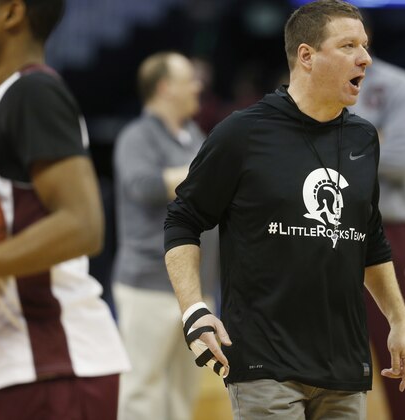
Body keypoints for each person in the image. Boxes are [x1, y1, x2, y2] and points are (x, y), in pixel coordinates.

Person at [163, 1, 405, 419]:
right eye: (349, 45)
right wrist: (194, 310)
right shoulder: (242, 133)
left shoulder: (363, 139)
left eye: (365, 46)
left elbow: (369, 239)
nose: (365, 58)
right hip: (265, 366)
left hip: (344, 369)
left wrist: (398, 320)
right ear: (307, 56)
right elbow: (183, 220)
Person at [0, 1, 130, 419]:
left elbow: (82, 225)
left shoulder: (33, 92)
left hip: (54, 365)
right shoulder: (3, 101)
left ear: (12, 12)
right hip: (19, 363)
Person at [112, 51, 220, 420]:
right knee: (142, 387)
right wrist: (211, 173)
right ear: (165, 87)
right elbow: (142, 185)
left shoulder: (194, 133)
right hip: (148, 284)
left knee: (184, 389)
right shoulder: (136, 136)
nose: (198, 86)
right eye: (189, 79)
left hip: (196, 288)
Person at [348, 36, 405, 420]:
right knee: (327, 350)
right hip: (326, 227)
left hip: (387, 227)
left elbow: (402, 160)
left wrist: (333, 147)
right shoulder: (315, 87)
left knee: (399, 350)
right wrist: (370, 139)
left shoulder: (400, 86)